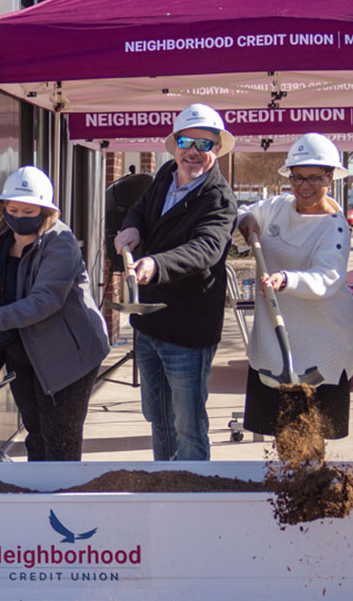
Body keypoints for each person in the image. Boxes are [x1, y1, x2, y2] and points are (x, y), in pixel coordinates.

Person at [113, 103, 238, 461]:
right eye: (187, 141)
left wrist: (157, 263)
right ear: (174, 144)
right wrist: (131, 226)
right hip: (149, 323)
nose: (194, 152)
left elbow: (206, 249)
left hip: (187, 331)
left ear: (217, 149)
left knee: (188, 426)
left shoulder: (218, 199)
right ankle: (163, 483)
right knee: (158, 418)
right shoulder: (167, 174)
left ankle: (193, 495)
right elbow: (140, 207)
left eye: (205, 144)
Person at [0, 167, 110, 461]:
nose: (19, 216)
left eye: (28, 210)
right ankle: (37, 499)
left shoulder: (60, 242)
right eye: (13, 209)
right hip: (22, 352)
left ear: (45, 211)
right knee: (36, 433)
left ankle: (61, 502)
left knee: (59, 440)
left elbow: (47, 299)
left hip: (67, 356)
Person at [236, 133, 353, 441]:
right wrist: (246, 220)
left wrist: (285, 280)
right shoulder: (278, 207)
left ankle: (311, 486)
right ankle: (286, 486)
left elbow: (327, 278)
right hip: (276, 340)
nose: (304, 187)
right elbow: (240, 212)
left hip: (322, 340)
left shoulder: (336, 227)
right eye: (298, 178)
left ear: (331, 177)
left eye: (315, 178)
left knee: (312, 435)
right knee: (282, 434)